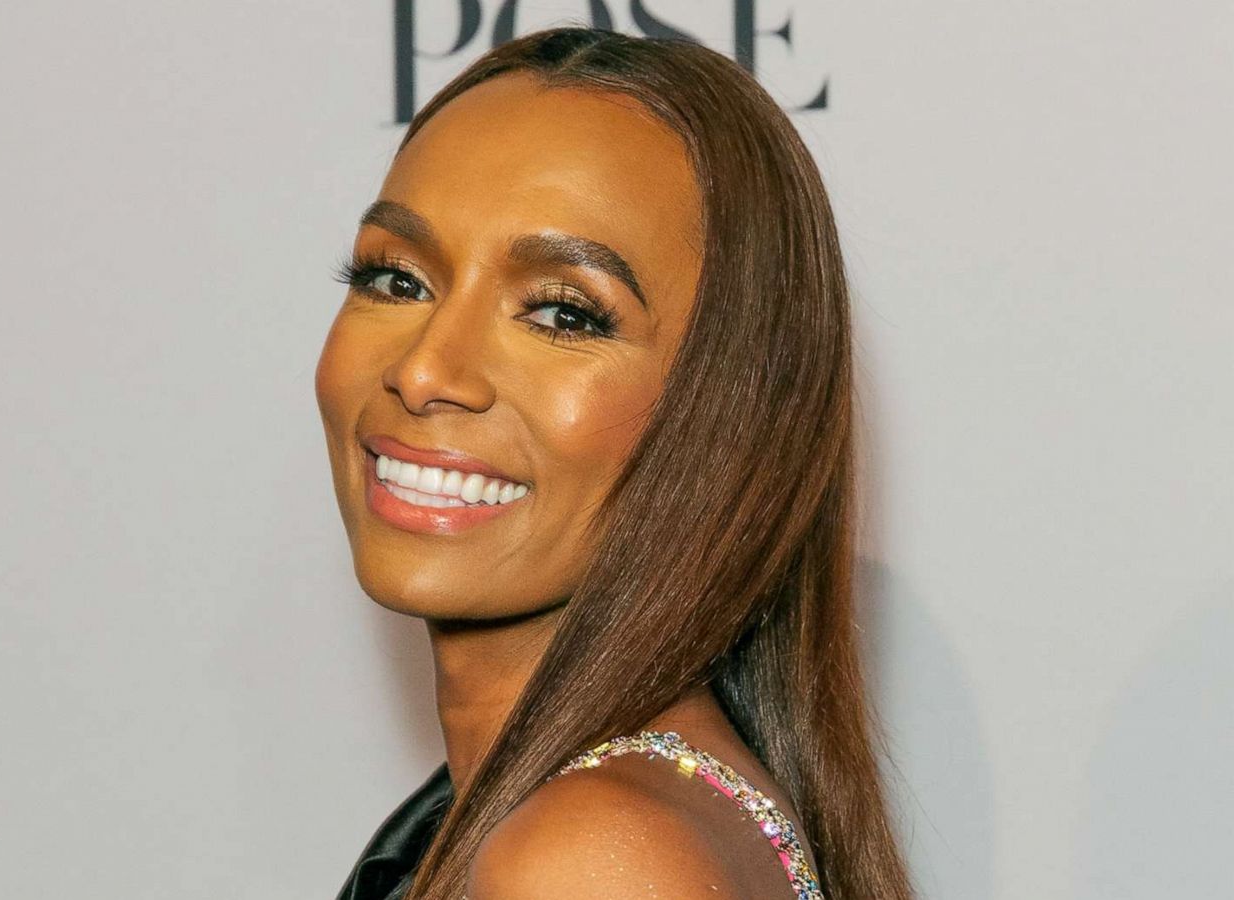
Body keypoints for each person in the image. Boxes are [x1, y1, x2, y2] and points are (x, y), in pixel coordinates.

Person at [315, 26, 914, 900]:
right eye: (396, 279)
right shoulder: (606, 815)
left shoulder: (591, 856)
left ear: (732, 413)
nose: (423, 369)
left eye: (563, 314)